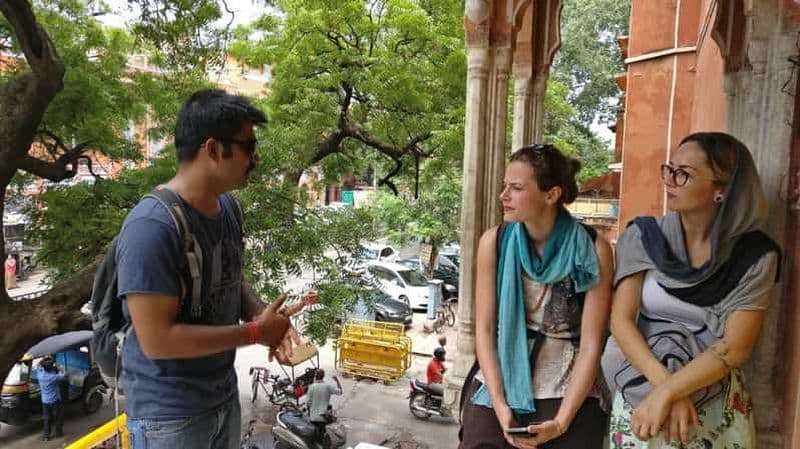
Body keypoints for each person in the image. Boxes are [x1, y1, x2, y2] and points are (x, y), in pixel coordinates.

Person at [117, 89, 303, 449]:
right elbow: (157, 340)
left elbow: (231, 276)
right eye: (248, 146)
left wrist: (261, 316)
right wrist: (254, 332)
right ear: (214, 149)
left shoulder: (229, 208)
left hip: (222, 399)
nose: (256, 157)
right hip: (168, 418)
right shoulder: (151, 227)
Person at [602, 132, 781, 448]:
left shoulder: (755, 257)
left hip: (712, 399)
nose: (670, 180)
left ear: (721, 191)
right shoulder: (644, 236)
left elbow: (736, 346)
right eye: (670, 169)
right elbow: (621, 322)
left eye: (684, 174)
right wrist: (664, 388)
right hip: (641, 389)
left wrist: (672, 392)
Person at [459, 144, 613, 449]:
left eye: (516, 188)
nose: (504, 196)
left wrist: (561, 422)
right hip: (500, 378)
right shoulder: (496, 241)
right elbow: (486, 330)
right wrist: (501, 406)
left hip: (566, 384)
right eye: (505, 186)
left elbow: (592, 344)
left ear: (551, 195)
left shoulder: (593, 249)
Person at [306, 369, 343, 443]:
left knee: (314, 436)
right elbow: (340, 392)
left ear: (315, 377)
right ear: (323, 376)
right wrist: (337, 381)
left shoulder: (311, 387)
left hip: (313, 417)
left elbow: (308, 403)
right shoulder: (328, 386)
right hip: (323, 418)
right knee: (322, 435)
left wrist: (310, 414)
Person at [35, 356, 66, 441]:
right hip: (54, 401)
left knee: (47, 418)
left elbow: (38, 365)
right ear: (52, 367)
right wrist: (60, 367)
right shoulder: (53, 377)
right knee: (58, 417)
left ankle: (46, 436)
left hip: (45, 401)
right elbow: (64, 375)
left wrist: (44, 359)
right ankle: (58, 433)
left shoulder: (40, 374)